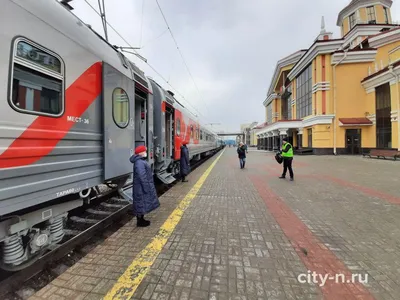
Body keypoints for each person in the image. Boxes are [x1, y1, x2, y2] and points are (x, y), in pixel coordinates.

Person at [129, 145, 160, 227]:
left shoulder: (140, 161)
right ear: (141, 153)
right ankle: (139, 221)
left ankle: (141, 219)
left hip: (140, 187)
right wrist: (146, 187)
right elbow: (142, 176)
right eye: (145, 151)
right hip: (141, 187)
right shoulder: (139, 163)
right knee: (140, 202)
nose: (146, 153)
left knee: (141, 202)